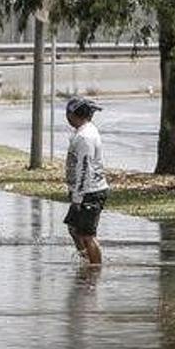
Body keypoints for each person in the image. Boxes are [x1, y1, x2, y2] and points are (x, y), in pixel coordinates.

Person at [63, 96, 109, 265]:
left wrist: (77, 198)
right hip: (84, 191)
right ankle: (86, 259)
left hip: (90, 192)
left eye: (67, 113)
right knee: (74, 228)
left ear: (73, 114)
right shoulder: (82, 132)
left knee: (87, 235)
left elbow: (84, 168)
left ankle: (95, 268)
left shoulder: (85, 137)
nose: (66, 116)